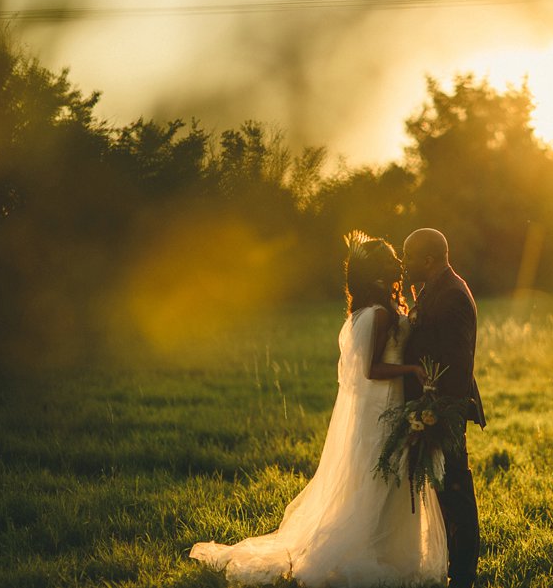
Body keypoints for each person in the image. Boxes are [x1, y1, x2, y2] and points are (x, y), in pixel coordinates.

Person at [189, 231, 447, 587]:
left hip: (385, 404)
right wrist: (413, 370)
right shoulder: (379, 315)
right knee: (382, 476)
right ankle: (369, 551)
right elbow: (370, 369)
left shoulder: (377, 309)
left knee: (382, 478)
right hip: (383, 404)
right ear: (376, 270)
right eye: (390, 258)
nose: (398, 263)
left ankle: (389, 549)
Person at [402, 228, 486, 588]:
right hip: (434, 407)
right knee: (443, 488)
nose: (403, 266)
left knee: (455, 488)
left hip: (445, 410)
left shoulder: (452, 296)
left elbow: (457, 365)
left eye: (408, 258)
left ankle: (465, 571)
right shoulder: (435, 287)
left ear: (427, 260)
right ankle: (452, 560)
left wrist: (437, 415)